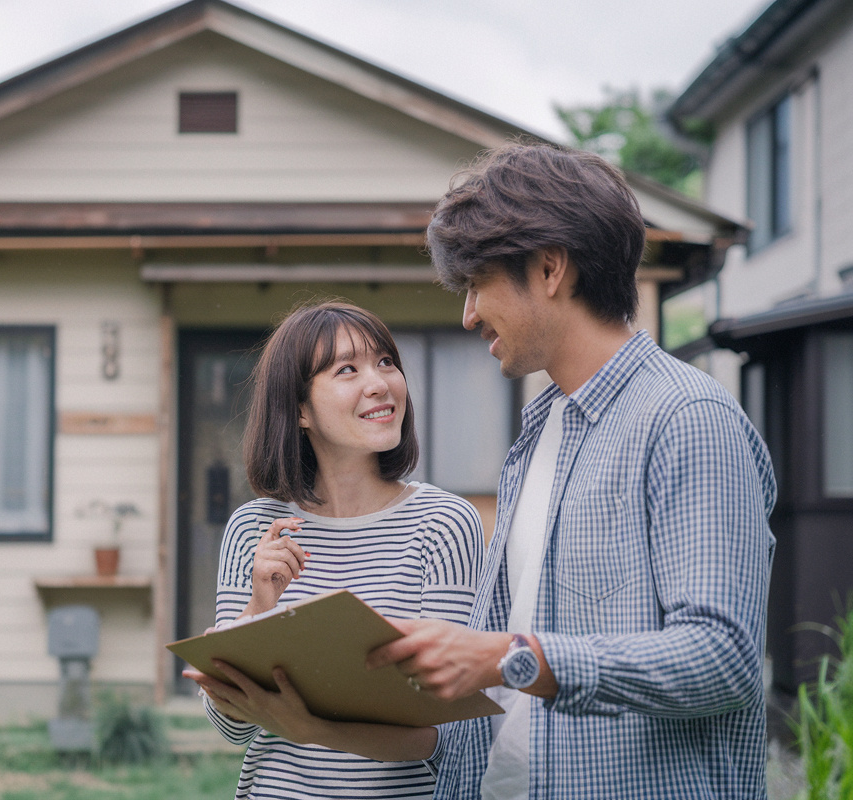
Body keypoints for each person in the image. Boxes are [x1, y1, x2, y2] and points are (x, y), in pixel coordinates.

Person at [365, 143, 777, 799]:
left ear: (551, 268)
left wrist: (510, 656)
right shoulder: (539, 432)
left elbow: (720, 658)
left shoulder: (687, 418)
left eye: (478, 284)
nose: (468, 314)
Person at [184, 300, 484, 799]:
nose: (379, 383)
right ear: (299, 409)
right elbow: (233, 727)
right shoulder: (254, 527)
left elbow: (446, 732)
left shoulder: (444, 523)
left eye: (386, 361)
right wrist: (259, 607)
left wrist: (313, 729)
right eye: (348, 369)